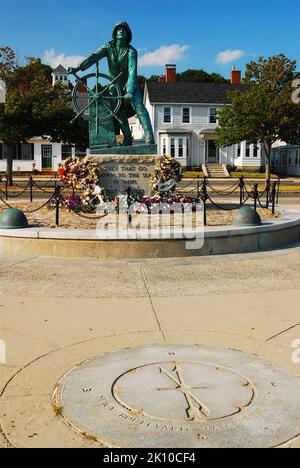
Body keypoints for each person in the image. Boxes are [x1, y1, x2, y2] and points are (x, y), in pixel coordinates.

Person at [68, 21, 155, 146]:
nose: (120, 31)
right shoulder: (108, 47)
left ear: (128, 34)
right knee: (117, 111)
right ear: (114, 33)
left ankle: (149, 137)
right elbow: (92, 57)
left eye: (123, 29)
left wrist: (129, 91)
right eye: (118, 29)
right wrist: (78, 68)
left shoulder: (132, 52)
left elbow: (132, 72)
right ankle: (127, 138)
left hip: (130, 85)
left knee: (139, 106)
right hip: (115, 85)